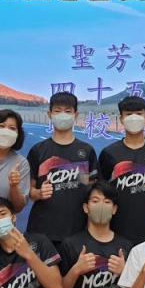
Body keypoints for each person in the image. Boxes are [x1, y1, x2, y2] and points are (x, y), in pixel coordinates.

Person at [26, 91, 99, 245]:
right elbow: (29, 192)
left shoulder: (87, 151)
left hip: (77, 230)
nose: (62, 115)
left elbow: (93, 191)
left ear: (75, 115)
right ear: (50, 114)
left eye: (68, 111)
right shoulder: (38, 150)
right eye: (57, 111)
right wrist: (39, 193)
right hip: (42, 230)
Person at [98, 96, 145, 245]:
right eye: (129, 114)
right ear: (121, 119)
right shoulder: (109, 153)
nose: (134, 118)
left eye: (139, 113)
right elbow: (101, 192)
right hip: (117, 230)